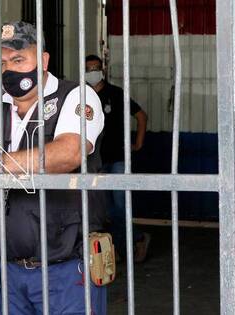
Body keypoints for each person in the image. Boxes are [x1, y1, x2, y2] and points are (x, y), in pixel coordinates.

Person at [0, 21, 107, 315]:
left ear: (44, 60)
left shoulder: (75, 96)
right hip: (8, 272)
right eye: (4, 62)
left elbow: (70, 153)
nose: (10, 68)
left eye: (19, 59)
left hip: (67, 270)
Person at [84, 54, 150, 263]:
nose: (92, 72)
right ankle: (129, 245)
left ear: (102, 69)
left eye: (96, 68)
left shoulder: (116, 94)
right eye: (89, 69)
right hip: (96, 161)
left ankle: (134, 241)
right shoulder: (82, 96)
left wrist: (138, 143)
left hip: (119, 158)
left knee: (120, 205)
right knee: (107, 209)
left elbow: (141, 116)